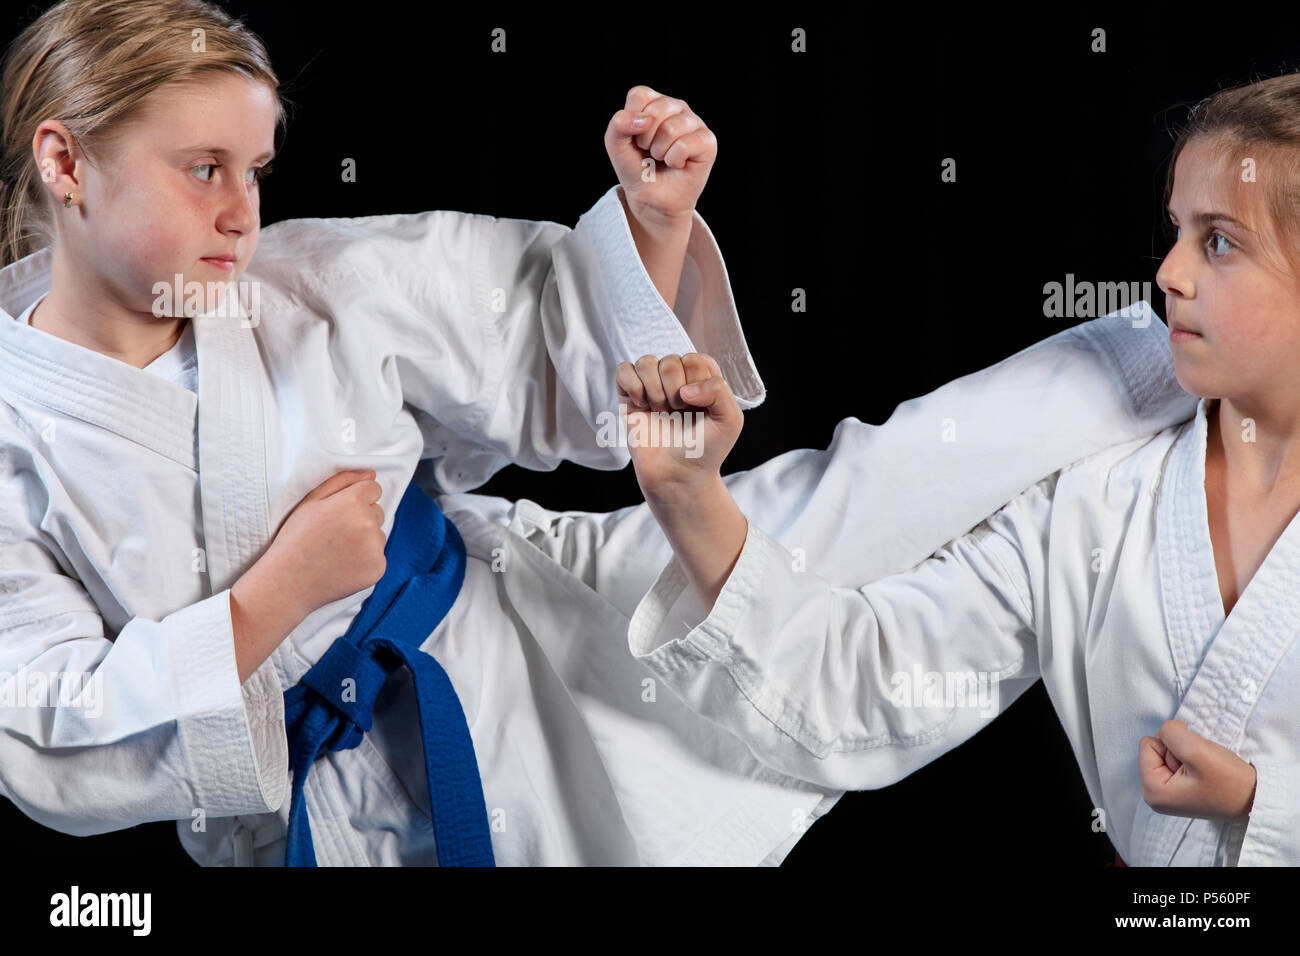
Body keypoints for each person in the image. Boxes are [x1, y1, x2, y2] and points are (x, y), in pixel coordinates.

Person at [0, 0, 1194, 866]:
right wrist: (280, 595)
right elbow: (52, 735)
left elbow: (538, 339)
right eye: (203, 167)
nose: (242, 213)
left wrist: (651, 225)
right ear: (66, 160)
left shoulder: (305, 286)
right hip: (312, 821)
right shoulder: (13, 445)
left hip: (521, 635)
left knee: (883, 479)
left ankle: (1177, 357)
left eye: (255, 169)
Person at [622, 71, 1300, 866]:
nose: (1168, 273)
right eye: (1177, 229)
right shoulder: (1092, 501)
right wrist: (689, 497)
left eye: (1217, 241)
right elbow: (865, 683)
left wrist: (1269, 805)